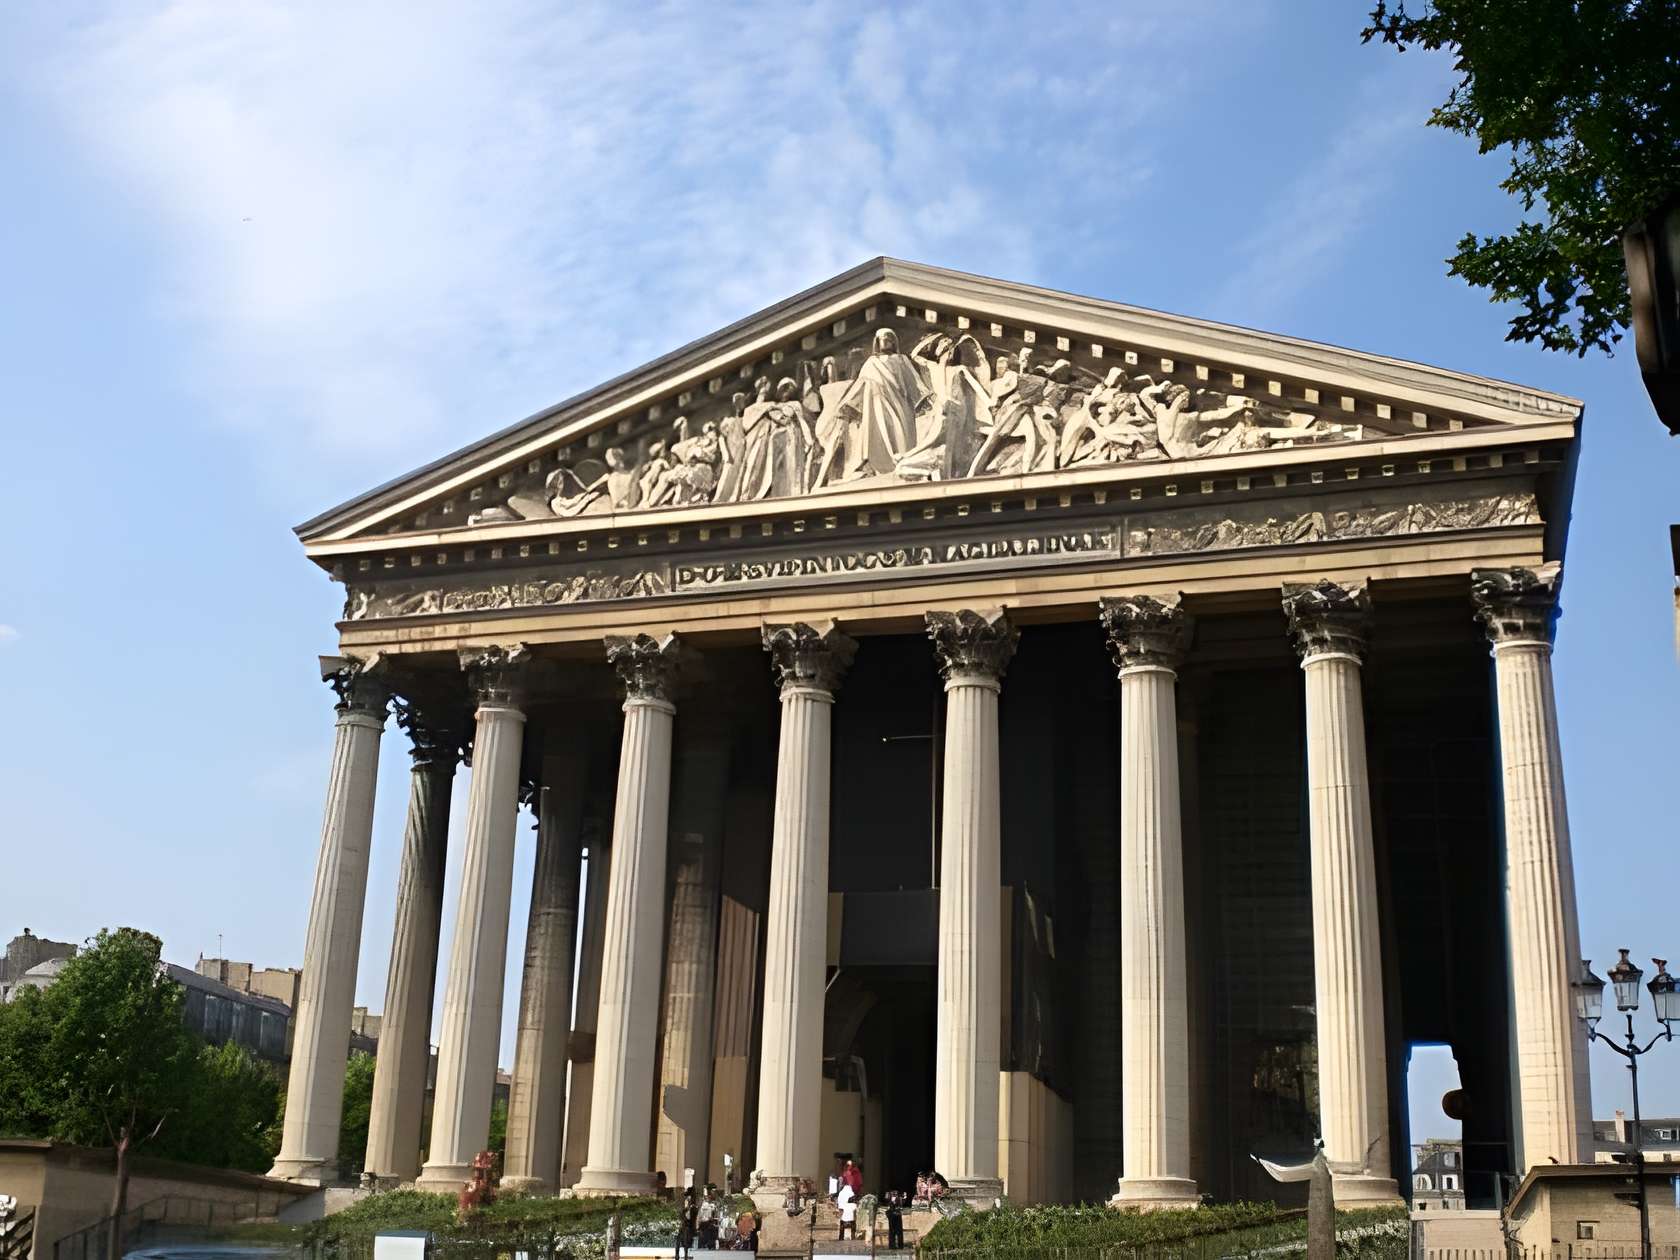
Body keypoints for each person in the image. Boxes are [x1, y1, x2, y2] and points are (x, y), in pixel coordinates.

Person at [697, 1185, 720, 1252]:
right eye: (713, 1192)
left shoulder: (714, 1204)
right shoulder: (704, 1204)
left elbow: (715, 1215)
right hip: (705, 1227)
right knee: (703, 1247)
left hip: (710, 1227)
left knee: (711, 1248)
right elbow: (699, 1216)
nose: (715, 1194)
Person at [678, 1187, 697, 1258]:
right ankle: (685, 1251)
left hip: (688, 1221)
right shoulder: (689, 1200)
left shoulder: (691, 1201)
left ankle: (685, 1251)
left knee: (686, 1233)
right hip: (688, 1220)